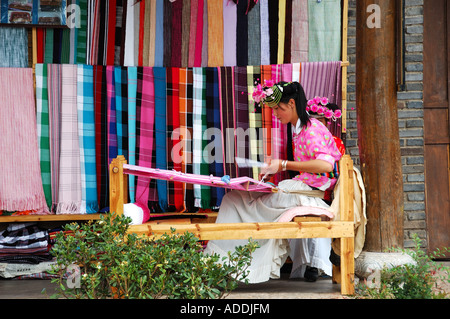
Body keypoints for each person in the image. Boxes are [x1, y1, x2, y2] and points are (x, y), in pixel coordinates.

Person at [203, 81, 343, 283]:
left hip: (308, 195)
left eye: (279, 108)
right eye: (274, 108)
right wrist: (275, 169)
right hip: (299, 189)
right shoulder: (300, 129)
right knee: (233, 199)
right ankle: (224, 262)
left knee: (237, 202)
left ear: (292, 103)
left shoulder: (311, 129)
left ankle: (229, 263)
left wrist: (284, 164)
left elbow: (326, 166)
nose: (276, 113)